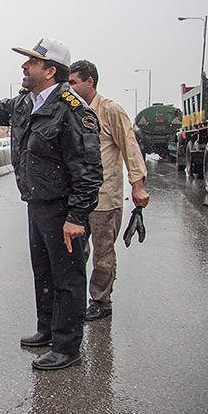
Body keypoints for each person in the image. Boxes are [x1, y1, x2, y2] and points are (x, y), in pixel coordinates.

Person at [0, 37, 103, 371]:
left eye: (32, 62)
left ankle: (68, 346)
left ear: (50, 70)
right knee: (43, 273)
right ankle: (47, 330)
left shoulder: (73, 111)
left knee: (68, 279)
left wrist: (76, 216)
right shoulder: (27, 103)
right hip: (37, 204)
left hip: (62, 209)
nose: (24, 67)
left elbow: (88, 170)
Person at [67, 60, 150, 321]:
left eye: (73, 83)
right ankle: (75, 300)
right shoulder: (70, 111)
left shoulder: (110, 111)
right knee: (76, 252)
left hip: (105, 197)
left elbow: (130, 148)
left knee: (103, 254)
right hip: (78, 199)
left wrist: (137, 186)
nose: (69, 88)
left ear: (89, 82)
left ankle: (101, 301)